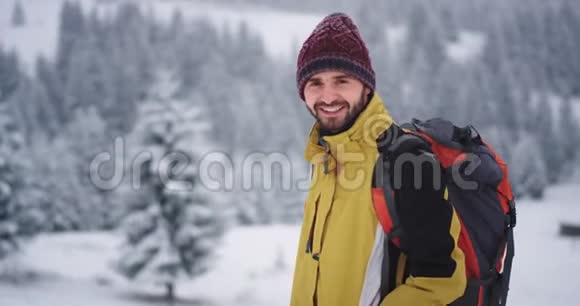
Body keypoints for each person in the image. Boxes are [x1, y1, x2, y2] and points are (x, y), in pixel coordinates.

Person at [290, 13, 467, 306]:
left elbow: (442, 279)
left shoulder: (405, 160)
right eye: (315, 83)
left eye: (342, 80)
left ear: (366, 87)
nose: (328, 95)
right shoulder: (324, 158)